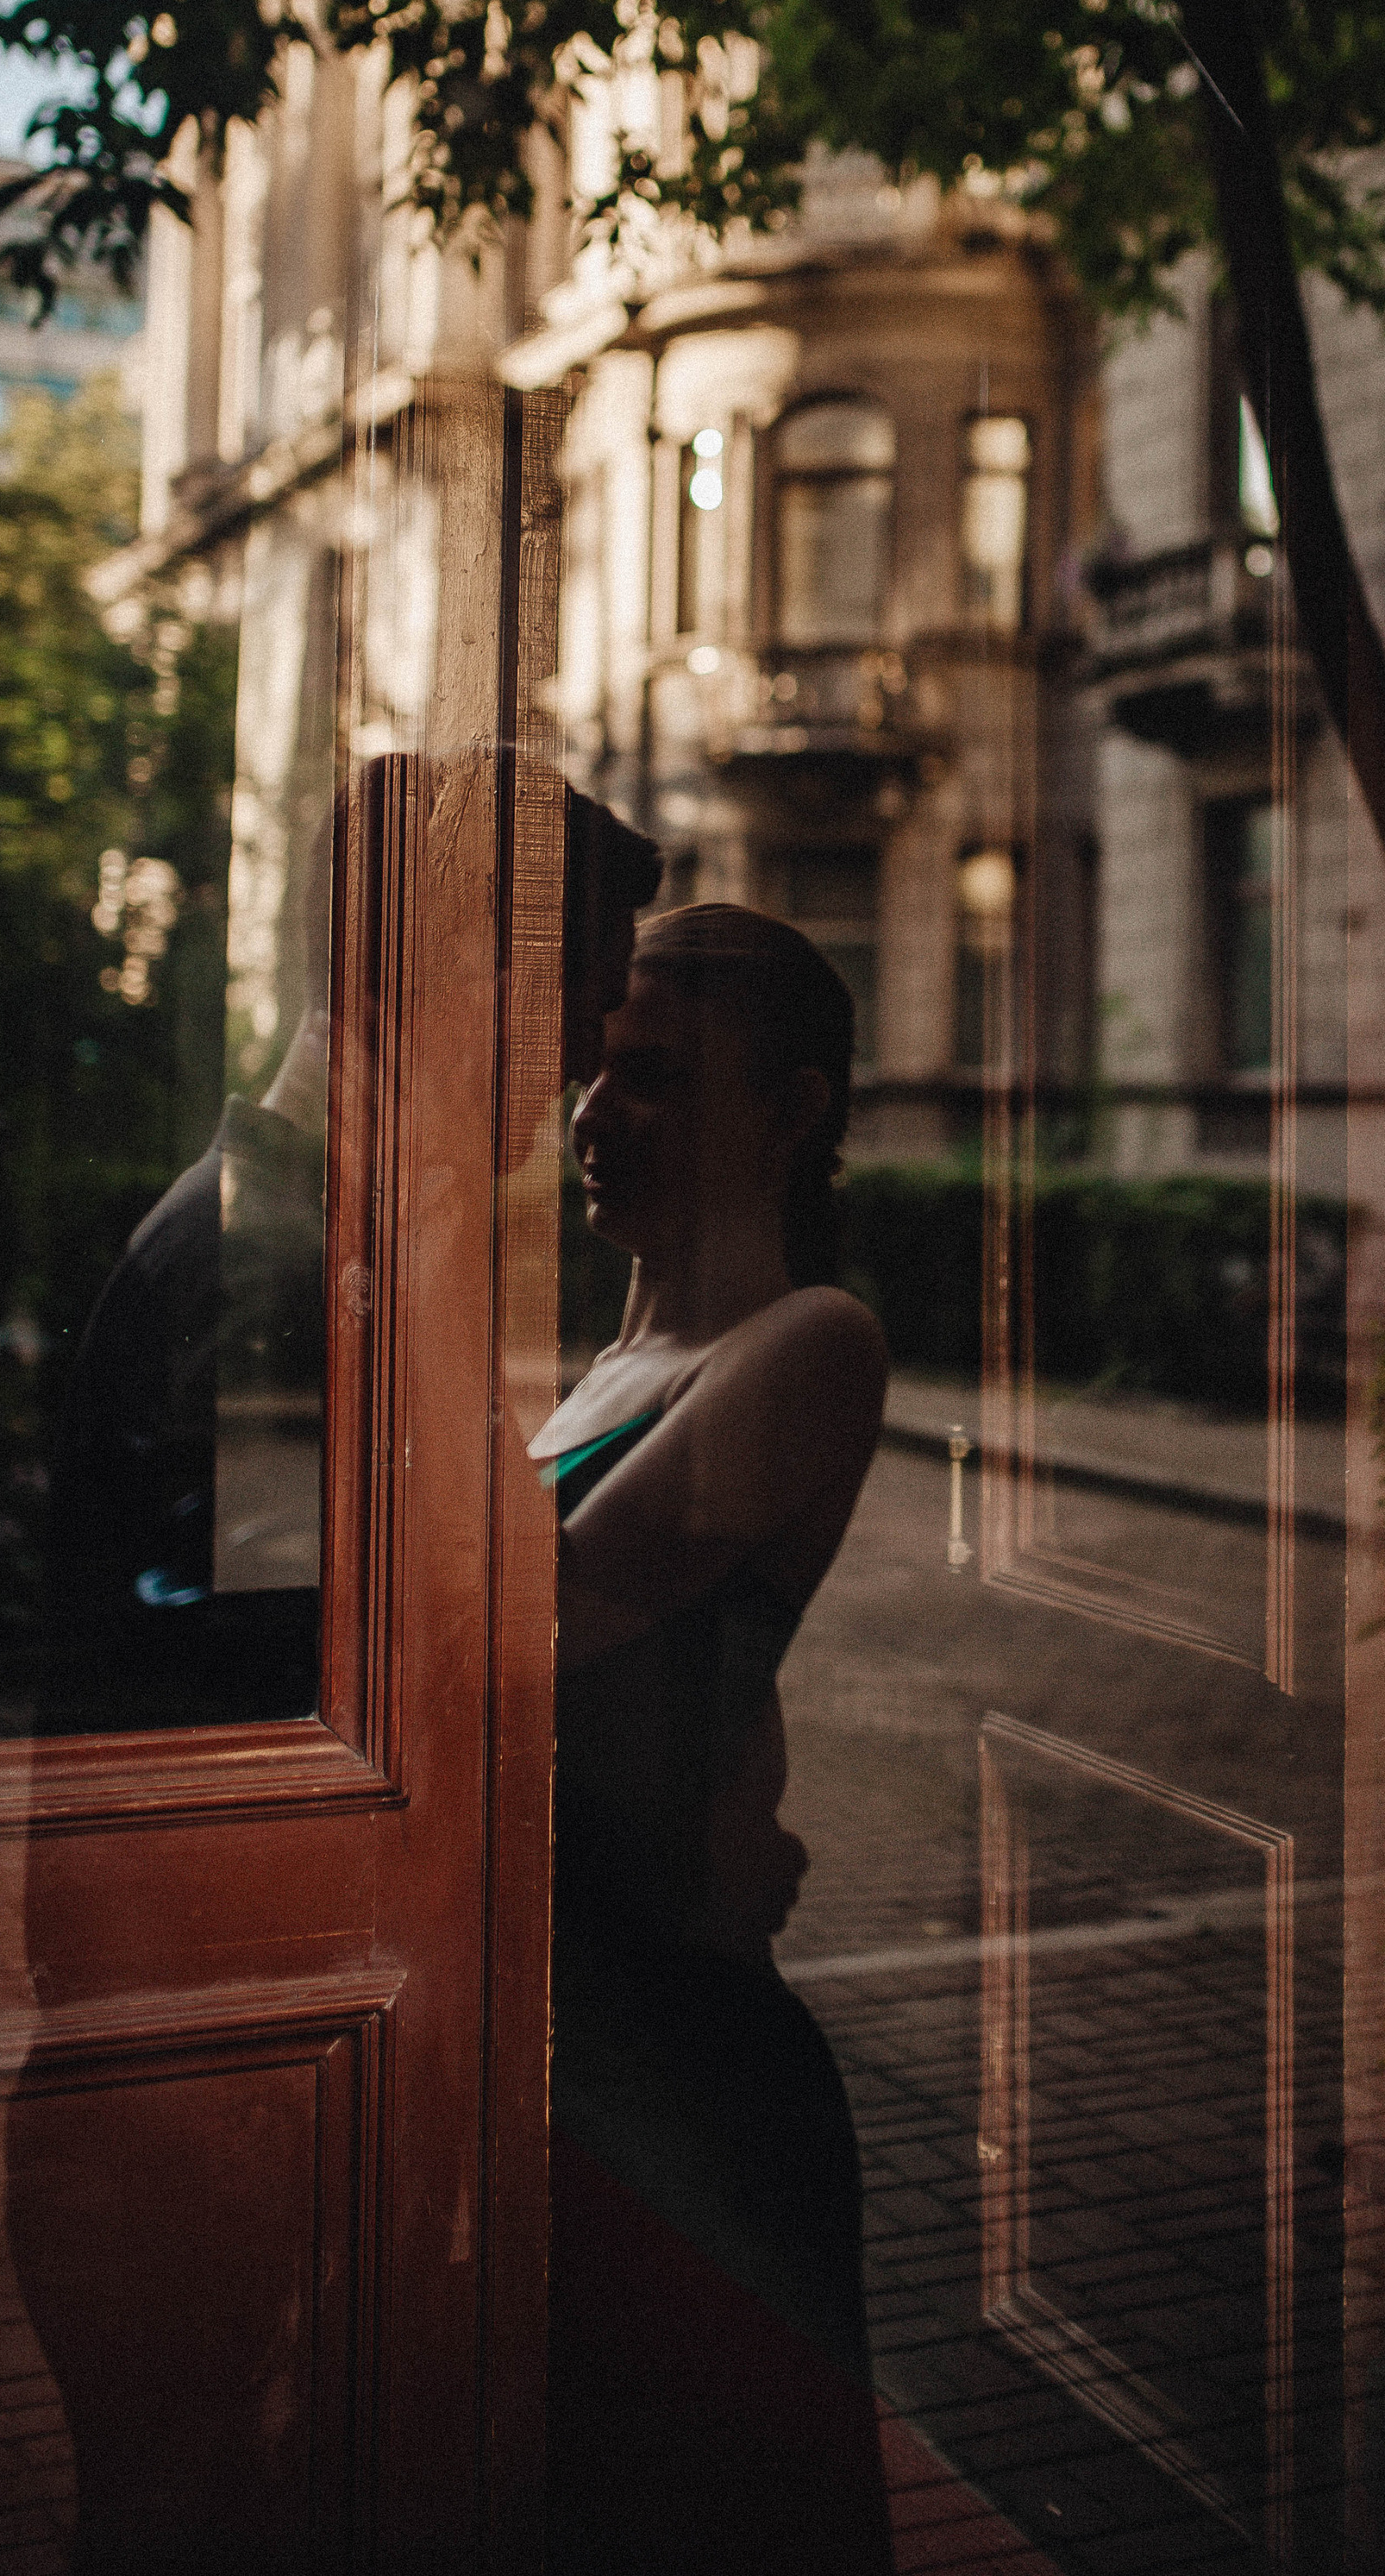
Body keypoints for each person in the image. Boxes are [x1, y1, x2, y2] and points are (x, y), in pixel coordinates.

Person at [33, 751, 657, 1736]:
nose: (584, 1062)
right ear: (446, 972)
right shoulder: (278, 1273)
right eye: (576, 1005)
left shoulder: (312, 1238)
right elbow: (293, 1688)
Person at [532, 902, 896, 2576]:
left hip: (683, 2100)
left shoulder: (807, 1344)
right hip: (567, 2056)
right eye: (598, 1073)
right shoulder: (606, 1360)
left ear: (794, 1110)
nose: (597, 1114)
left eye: (660, 1078)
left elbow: (524, 1628)